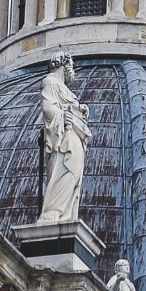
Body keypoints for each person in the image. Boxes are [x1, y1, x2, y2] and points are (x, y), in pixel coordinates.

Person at [34, 55, 89, 223]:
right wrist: (65, 115)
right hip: (63, 137)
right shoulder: (50, 82)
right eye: (70, 65)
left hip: (72, 135)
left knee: (73, 173)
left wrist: (79, 111)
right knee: (64, 171)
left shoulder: (62, 87)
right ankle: (54, 210)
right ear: (63, 64)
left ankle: (64, 213)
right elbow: (48, 109)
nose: (72, 69)